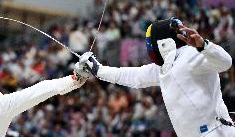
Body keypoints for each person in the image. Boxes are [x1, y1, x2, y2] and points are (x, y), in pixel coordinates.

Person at [76, 17, 235, 136]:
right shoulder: (162, 68)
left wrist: (204, 46)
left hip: (217, 132)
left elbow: (225, 63)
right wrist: (97, 69)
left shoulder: (191, 54)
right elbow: (131, 76)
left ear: (164, 44)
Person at [0, 65, 88, 137]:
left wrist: (74, 79)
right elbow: (40, 89)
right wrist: (74, 80)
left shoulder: (3, 104)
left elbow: (40, 90)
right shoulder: (4, 105)